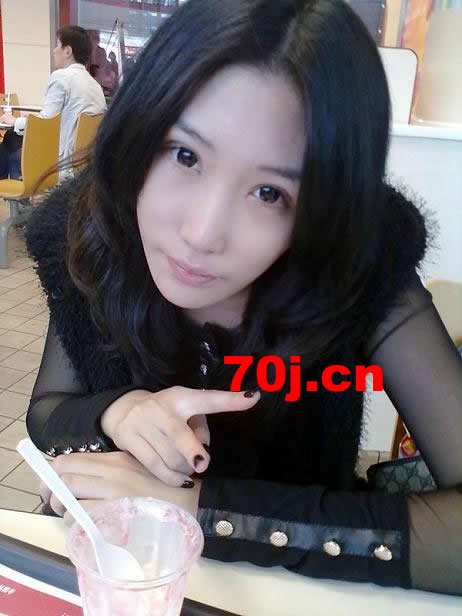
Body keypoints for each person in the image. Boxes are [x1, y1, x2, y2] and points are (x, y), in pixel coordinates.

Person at [25, 0, 462, 596]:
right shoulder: (88, 229)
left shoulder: (361, 260)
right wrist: (115, 412)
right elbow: (48, 412)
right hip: (119, 574)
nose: (203, 233)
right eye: (185, 155)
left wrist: (205, 509)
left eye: (269, 193)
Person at [0, 26, 106, 180]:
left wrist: (14, 121)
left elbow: (45, 124)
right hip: (84, 162)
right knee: (11, 138)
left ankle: (18, 189)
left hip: (61, 162)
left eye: (57, 45)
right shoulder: (95, 85)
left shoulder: (62, 77)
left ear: (68, 51)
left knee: (9, 150)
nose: (54, 51)